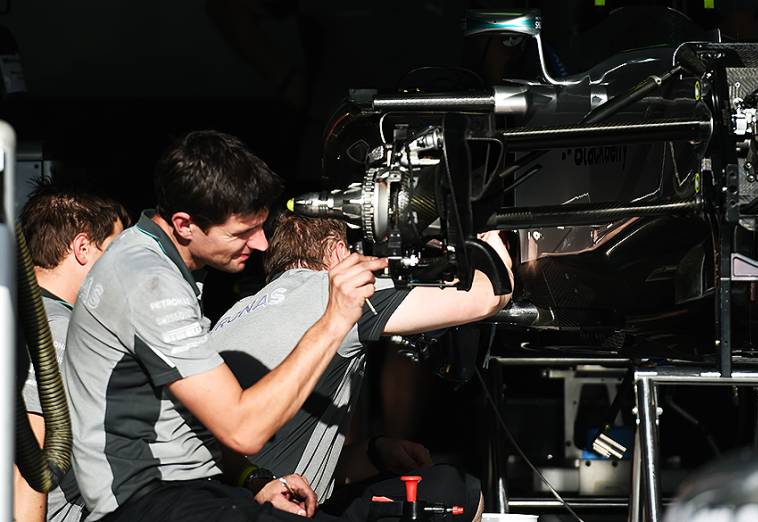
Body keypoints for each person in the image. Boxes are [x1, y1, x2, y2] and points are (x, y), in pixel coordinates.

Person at [61, 130, 387, 521]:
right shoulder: (147, 282)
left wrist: (256, 480)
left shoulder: (154, 260)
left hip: (188, 491)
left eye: (262, 226)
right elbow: (244, 430)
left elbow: (189, 427)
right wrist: (334, 320)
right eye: (243, 232)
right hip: (144, 501)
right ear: (184, 225)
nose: (263, 244)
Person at [209, 213, 513, 520]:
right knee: (454, 491)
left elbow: (282, 456)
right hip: (271, 511)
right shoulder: (337, 294)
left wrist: (374, 452)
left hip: (219, 497)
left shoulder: (231, 315)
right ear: (340, 252)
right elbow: (487, 297)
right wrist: (493, 241)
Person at [15, 181, 130, 522]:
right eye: (115, 252)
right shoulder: (58, 328)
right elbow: (28, 467)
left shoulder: (18, 313)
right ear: (83, 248)